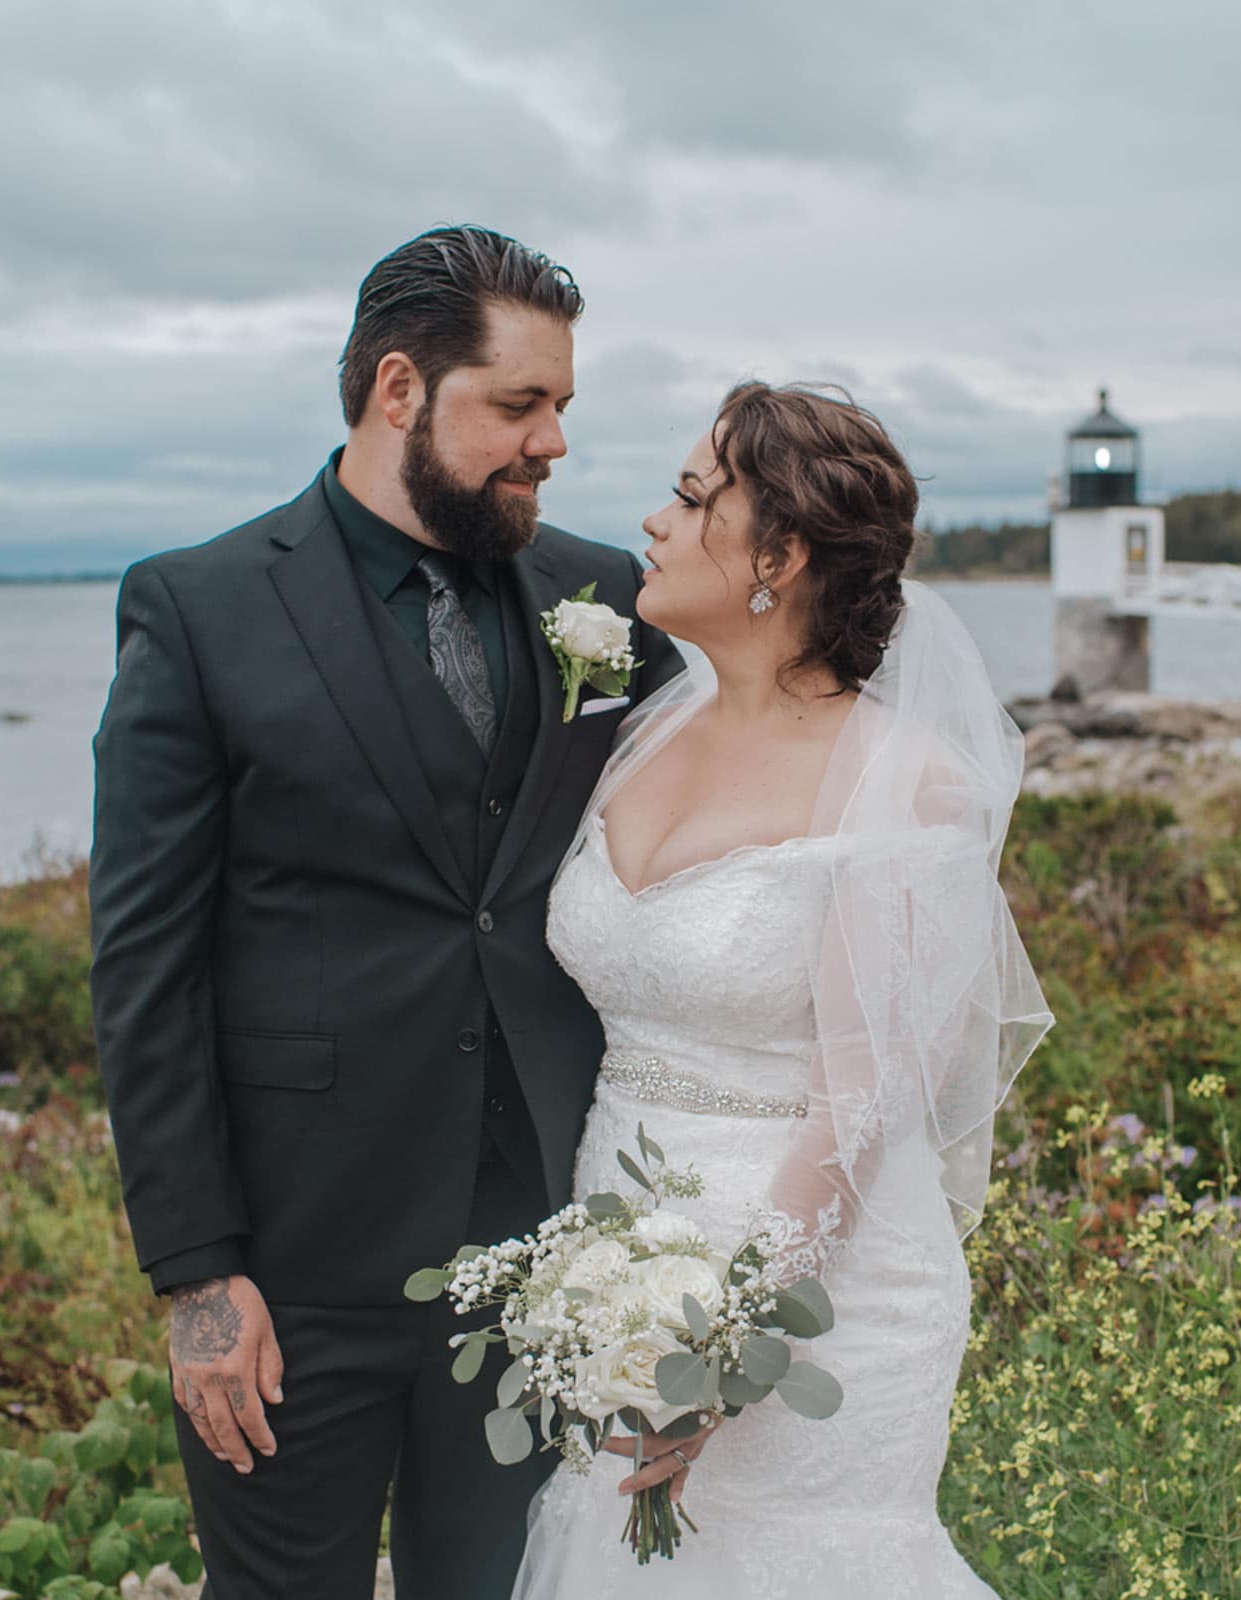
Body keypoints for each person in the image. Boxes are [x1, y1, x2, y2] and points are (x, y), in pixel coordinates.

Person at [87, 224, 681, 1599]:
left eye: (564, 408)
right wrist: (197, 1275)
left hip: (540, 1254)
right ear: (401, 390)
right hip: (296, 1267)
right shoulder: (201, 608)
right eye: (519, 406)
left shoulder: (603, 600)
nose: (554, 443)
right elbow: (145, 963)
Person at [513, 381, 1052, 1595]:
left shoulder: (906, 784)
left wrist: (727, 1350)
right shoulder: (643, 729)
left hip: (828, 1296)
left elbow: (861, 1107)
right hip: (617, 1255)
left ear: (780, 553)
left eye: (693, 495)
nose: (650, 521)